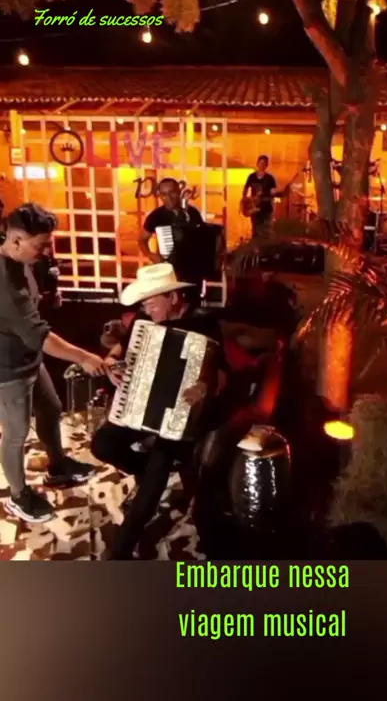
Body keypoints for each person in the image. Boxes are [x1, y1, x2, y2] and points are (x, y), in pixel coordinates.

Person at [91, 262, 232, 559]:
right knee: (102, 444)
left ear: (174, 297)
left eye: (151, 302)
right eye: (144, 303)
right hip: (140, 406)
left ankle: (121, 550)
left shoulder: (204, 323)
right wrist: (113, 367)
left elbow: (221, 374)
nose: (146, 308)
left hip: (183, 416)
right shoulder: (143, 323)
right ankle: (145, 470)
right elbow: (119, 354)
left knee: (157, 471)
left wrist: (205, 387)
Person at [0, 203, 106, 524]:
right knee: (16, 432)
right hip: (7, 369)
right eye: (40, 245)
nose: (46, 251)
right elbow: (40, 336)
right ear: (16, 240)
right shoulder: (5, 284)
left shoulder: (19, 257)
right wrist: (84, 357)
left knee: (51, 408)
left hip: (28, 357)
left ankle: (58, 467)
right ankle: (18, 496)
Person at [139, 178, 203, 265]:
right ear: (160, 196)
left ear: (179, 192)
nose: (169, 198)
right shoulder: (155, 216)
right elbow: (142, 241)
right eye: (164, 194)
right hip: (168, 265)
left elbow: (202, 238)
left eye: (172, 192)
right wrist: (150, 255)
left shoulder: (192, 212)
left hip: (191, 265)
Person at [242, 156, 288, 239]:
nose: (262, 165)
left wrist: (278, 192)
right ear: (257, 164)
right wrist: (245, 200)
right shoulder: (251, 176)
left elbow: (273, 191)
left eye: (264, 164)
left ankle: (266, 244)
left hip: (267, 208)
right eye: (261, 163)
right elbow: (246, 188)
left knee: (266, 229)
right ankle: (256, 244)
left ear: (266, 165)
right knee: (255, 229)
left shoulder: (270, 178)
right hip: (254, 208)